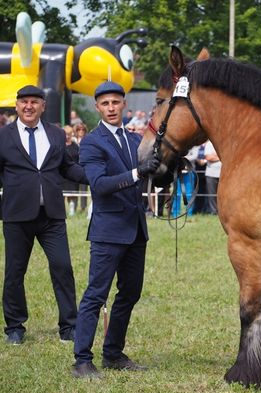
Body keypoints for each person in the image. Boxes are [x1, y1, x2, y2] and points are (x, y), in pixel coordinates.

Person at [72, 81, 161, 378]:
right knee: (96, 295)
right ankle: (82, 359)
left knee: (130, 293)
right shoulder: (92, 142)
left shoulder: (137, 140)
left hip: (136, 229)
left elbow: (151, 177)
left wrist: (166, 170)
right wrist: (138, 172)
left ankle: (113, 353)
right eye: (105, 103)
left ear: (124, 104)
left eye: (116, 102)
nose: (111, 108)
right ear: (98, 107)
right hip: (108, 231)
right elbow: (98, 185)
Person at [0, 85, 88, 345]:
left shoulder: (56, 134)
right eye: (24, 102)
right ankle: (15, 326)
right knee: (15, 272)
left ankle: (69, 326)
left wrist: (95, 177)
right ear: (16, 106)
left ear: (43, 106)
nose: (29, 106)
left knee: (63, 267)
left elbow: (67, 168)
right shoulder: (3, 136)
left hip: (51, 215)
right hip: (16, 215)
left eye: (34, 102)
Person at [204, 140, 221, 215]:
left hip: (222, 174)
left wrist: (215, 156)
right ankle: (213, 211)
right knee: (212, 194)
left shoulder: (223, 142)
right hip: (211, 173)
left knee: (221, 195)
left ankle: (221, 212)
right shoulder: (209, 144)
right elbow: (208, 157)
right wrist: (220, 156)